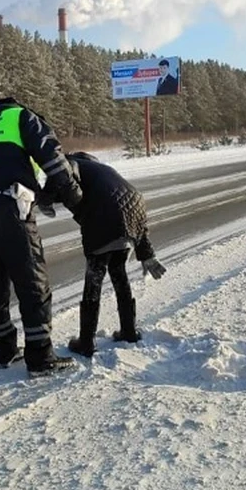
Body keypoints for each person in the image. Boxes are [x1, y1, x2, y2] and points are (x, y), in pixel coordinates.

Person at [0, 97, 84, 376]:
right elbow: (52, 156)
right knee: (32, 280)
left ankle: (4, 352)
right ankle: (41, 358)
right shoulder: (21, 117)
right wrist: (73, 194)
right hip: (11, 205)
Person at [38, 152, 167, 357]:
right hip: (135, 206)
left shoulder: (71, 162)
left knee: (94, 278)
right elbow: (131, 211)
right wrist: (146, 254)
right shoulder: (103, 170)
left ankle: (86, 342)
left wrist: (44, 199)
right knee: (118, 272)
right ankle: (129, 331)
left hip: (104, 215)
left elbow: (61, 175)